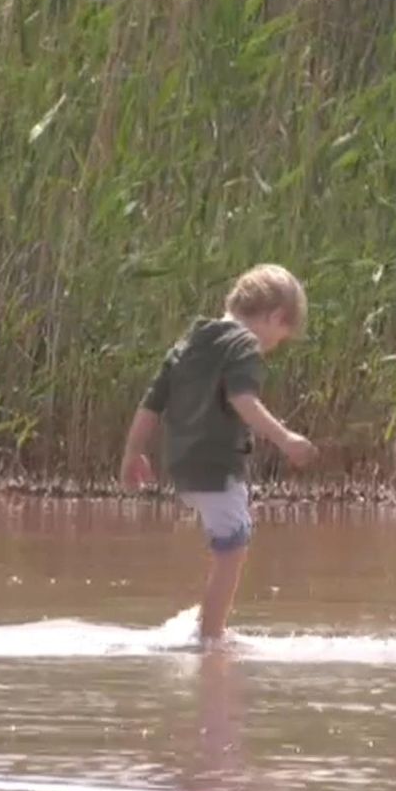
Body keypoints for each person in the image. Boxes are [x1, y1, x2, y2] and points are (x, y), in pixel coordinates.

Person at [119, 264, 319, 645]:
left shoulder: (187, 344)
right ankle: (210, 637)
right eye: (279, 337)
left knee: (228, 538)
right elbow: (242, 399)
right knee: (234, 546)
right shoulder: (243, 344)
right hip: (215, 465)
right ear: (275, 316)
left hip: (181, 465)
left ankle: (207, 623)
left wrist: (133, 452)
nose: (272, 347)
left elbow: (150, 406)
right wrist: (286, 438)